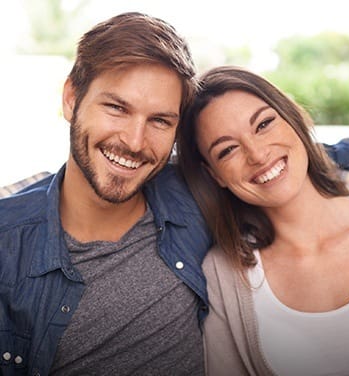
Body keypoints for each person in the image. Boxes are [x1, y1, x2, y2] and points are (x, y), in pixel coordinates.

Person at [0, 12, 212, 376]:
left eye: (160, 121)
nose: (134, 142)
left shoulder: (193, 194)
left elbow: (271, 155)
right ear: (71, 98)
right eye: (116, 108)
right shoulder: (7, 246)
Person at [177, 65, 349, 376]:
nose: (256, 154)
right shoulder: (221, 276)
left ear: (292, 119)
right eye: (228, 149)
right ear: (214, 175)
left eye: (264, 124)